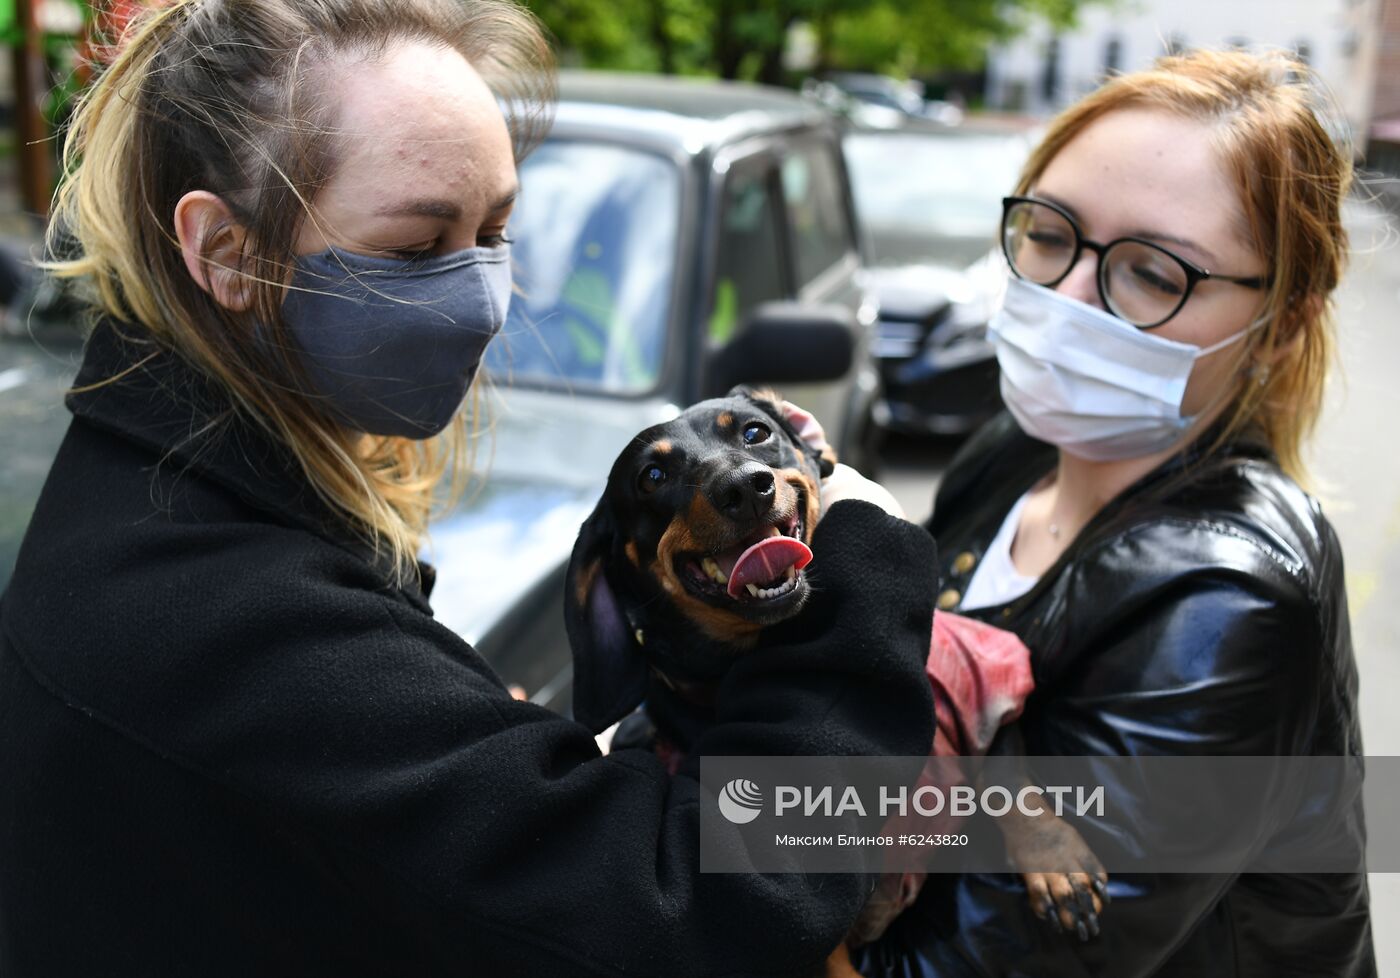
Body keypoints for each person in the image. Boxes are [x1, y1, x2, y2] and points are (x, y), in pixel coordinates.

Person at [0, 2, 941, 975]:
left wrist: (468, 734)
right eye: (416, 249)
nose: (484, 302)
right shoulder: (225, 619)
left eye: (494, 231)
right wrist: (860, 561)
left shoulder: (162, 495)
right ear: (226, 253)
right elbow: (702, 913)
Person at [855, 49, 1375, 977]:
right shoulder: (1010, 456)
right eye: (1050, 235)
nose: (1069, 299)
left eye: (1152, 271)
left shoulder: (1226, 611)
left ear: (1282, 323)